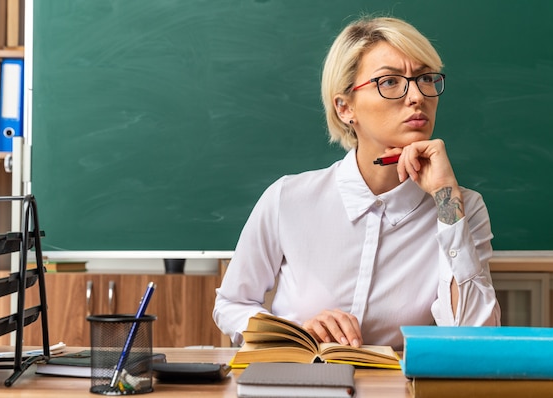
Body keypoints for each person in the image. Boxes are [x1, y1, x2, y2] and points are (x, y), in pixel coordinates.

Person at [213, 15, 500, 349]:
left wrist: (446, 200)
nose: (417, 96)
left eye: (425, 78)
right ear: (345, 107)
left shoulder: (460, 207)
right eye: (390, 82)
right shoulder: (288, 198)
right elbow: (231, 304)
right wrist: (296, 331)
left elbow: (475, 337)